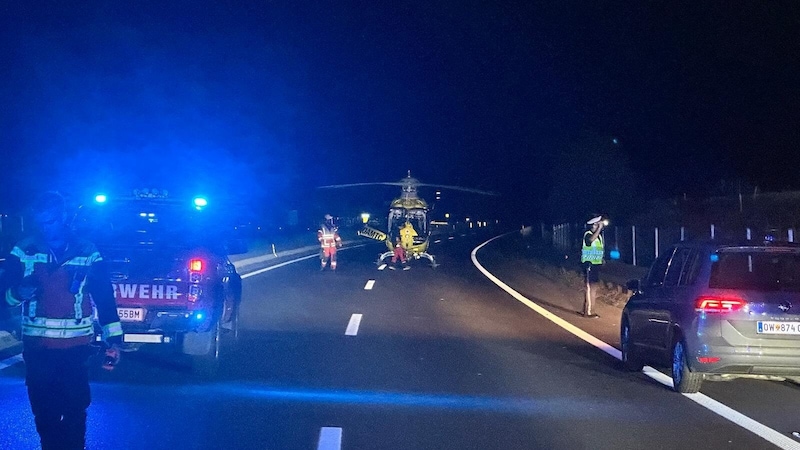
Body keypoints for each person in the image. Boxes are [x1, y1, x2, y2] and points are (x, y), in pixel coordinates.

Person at [2, 191, 123, 450]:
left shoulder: (87, 252)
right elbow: (4, 297)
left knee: (75, 411)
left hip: (76, 350)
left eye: (52, 221)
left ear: (63, 216)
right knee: (44, 413)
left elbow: (104, 297)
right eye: (41, 223)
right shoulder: (24, 251)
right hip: (38, 349)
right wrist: (17, 293)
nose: (46, 229)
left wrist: (114, 341)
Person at [580, 215, 606, 317]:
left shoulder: (598, 236)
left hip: (595, 265)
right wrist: (599, 229)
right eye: (596, 224)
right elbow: (590, 241)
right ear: (592, 226)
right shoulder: (588, 234)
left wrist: (601, 259)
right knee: (590, 288)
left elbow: (598, 248)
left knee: (594, 288)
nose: (598, 226)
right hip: (589, 265)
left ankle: (587, 309)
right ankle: (589, 312)